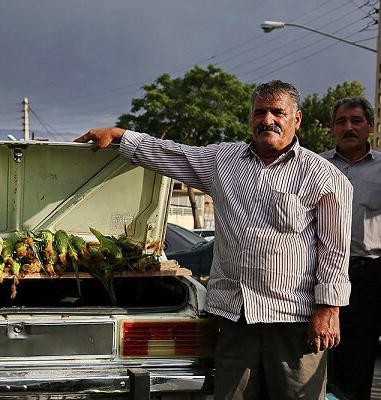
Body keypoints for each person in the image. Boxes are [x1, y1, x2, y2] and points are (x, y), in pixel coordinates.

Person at [75, 80, 353, 400]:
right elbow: (174, 154)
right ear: (250, 118)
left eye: (278, 112)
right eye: (260, 112)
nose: (268, 119)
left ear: (297, 118)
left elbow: (333, 250)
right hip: (236, 319)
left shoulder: (324, 176)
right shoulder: (223, 161)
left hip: (294, 323)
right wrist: (122, 136)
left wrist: (327, 309)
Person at [320, 96, 381, 400]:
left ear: (370, 126)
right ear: (332, 128)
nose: (349, 127)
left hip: (369, 277)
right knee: (319, 359)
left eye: (356, 120)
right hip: (319, 278)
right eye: (341, 121)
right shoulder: (315, 166)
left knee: (360, 359)